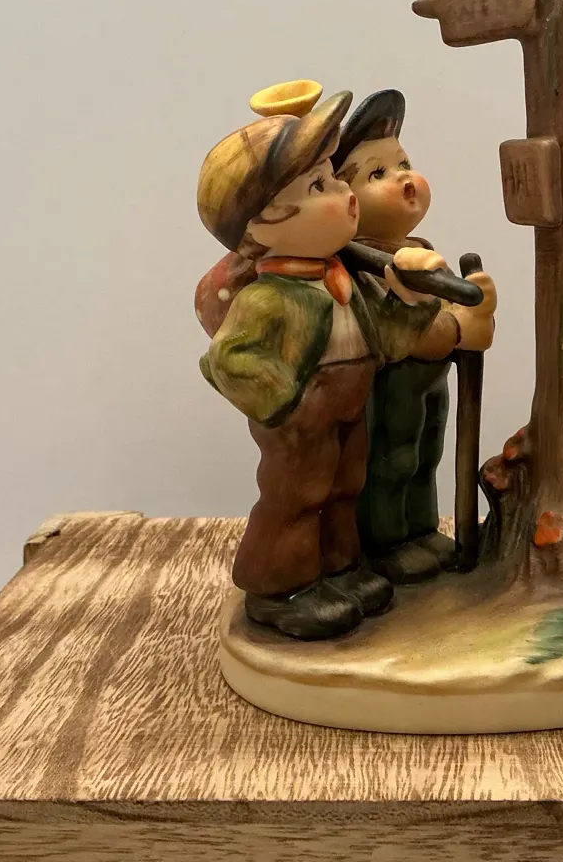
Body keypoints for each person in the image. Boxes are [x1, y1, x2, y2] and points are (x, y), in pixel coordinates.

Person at [196, 85, 486, 639]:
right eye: (318, 187)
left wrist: (408, 299)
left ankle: (339, 571)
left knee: (344, 492)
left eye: (332, 179)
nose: (343, 195)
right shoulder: (270, 297)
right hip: (304, 426)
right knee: (297, 500)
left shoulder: (338, 282)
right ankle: (279, 588)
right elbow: (228, 360)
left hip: (346, 416)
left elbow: (387, 341)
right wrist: (292, 404)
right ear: (261, 222)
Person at [332, 89, 497, 583]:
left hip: (430, 382)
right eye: (377, 174)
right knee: (392, 460)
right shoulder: (360, 265)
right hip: (392, 388)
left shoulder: (419, 249)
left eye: (403, 163)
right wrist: (458, 326)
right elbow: (397, 333)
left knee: (427, 455)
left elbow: (454, 318)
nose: (404, 177)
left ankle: (420, 529)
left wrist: (476, 309)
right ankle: (387, 541)